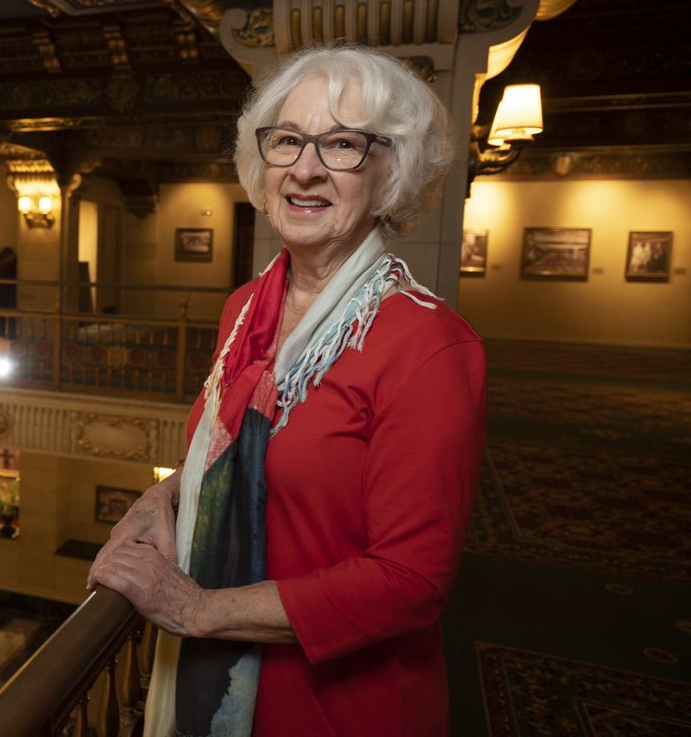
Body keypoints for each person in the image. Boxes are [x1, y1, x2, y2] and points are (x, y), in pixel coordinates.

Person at [88, 44, 486, 736]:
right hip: (218, 683)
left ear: (391, 170)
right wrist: (168, 496)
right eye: (288, 141)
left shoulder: (428, 346)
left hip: (336, 705)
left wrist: (197, 610)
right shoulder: (246, 307)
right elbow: (240, 457)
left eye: (342, 145)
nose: (305, 168)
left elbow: (410, 583)